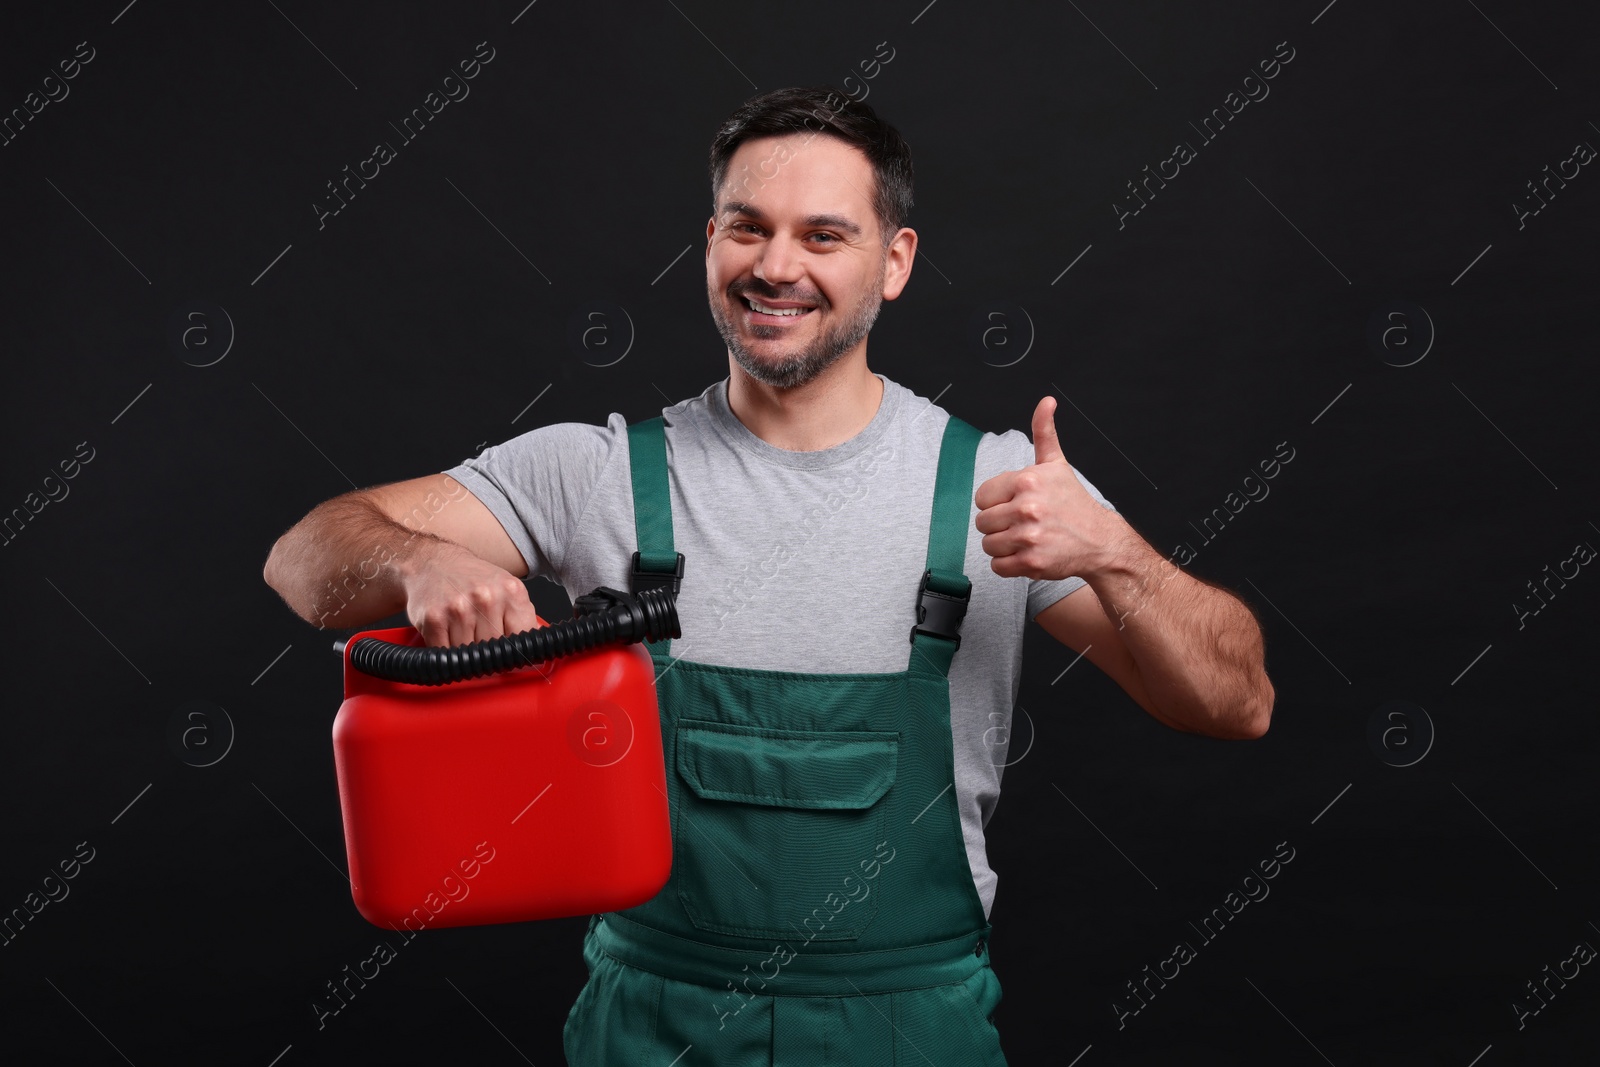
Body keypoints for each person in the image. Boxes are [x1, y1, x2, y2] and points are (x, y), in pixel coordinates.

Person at [264, 85, 1273, 1066]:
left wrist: (1114, 552)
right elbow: (302, 560)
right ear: (710, 245)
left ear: (894, 262)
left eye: (823, 235)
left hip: (909, 1026)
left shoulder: (1003, 487)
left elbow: (1238, 703)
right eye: (747, 228)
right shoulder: (596, 473)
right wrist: (420, 555)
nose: (775, 265)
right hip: (652, 1023)